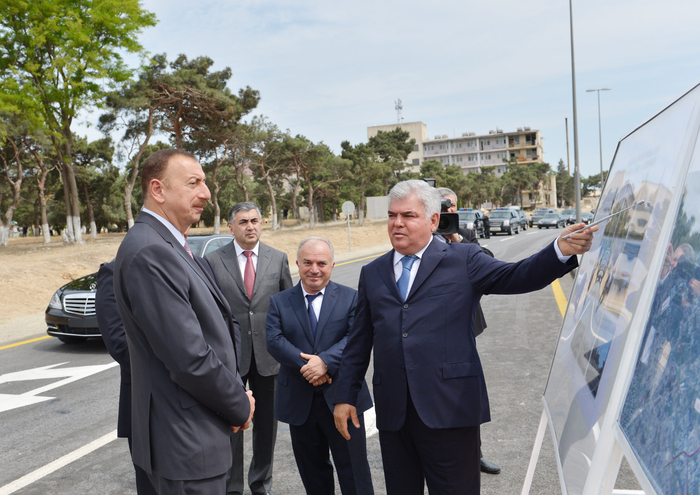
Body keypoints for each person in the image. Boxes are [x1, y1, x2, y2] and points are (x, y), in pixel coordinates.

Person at [333, 180, 596, 495]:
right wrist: (345, 396)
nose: (397, 223)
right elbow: (359, 340)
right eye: (392, 215)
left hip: (450, 409)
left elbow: (517, 276)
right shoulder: (373, 273)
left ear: (433, 220)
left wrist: (559, 251)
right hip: (394, 413)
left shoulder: (464, 259)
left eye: (408, 215)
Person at [113, 148, 255, 495]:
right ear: (158, 190)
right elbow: (189, 357)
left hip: (195, 435)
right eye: (194, 183)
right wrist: (239, 405)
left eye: (204, 183)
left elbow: (217, 328)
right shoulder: (151, 251)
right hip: (185, 441)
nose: (206, 193)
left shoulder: (169, 245)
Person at [266, 237, 374, 495]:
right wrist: (309, 368)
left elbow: (356, 338)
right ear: (297, 264)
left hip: (343, 399)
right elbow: (274, 340)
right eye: (308, 262)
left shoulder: (352, 298)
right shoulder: (280, 301)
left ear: (333, 265)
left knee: (355, 473)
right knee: (313, 475)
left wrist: (324, 362)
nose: (314, 269)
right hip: (299, 402)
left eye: (321, 263)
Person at [206, 202, 293, 495]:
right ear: (231, 227)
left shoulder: (277, 258)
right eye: (243, 222)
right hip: (229, 357)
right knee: (231, 423)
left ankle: (261, 484)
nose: (250, 226)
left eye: (255, 220)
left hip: (269, 357)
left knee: (267, 427)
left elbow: (288, 308)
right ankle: (231, 488)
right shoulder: (213, 261)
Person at [437, 187, 500, 476]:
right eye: (444, 206)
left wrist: (456, 238)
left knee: (464, 391)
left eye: (451, 207)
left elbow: (488, 261)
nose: (449, 211)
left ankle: (475, 453)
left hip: (461, 326)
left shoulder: (462, 232)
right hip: (429, 327)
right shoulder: (419, 233)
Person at [96, 260, 158, 495]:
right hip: (146, 404)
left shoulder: (189, 262)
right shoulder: (114, 270)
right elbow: (118, 342)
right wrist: (178, 368)